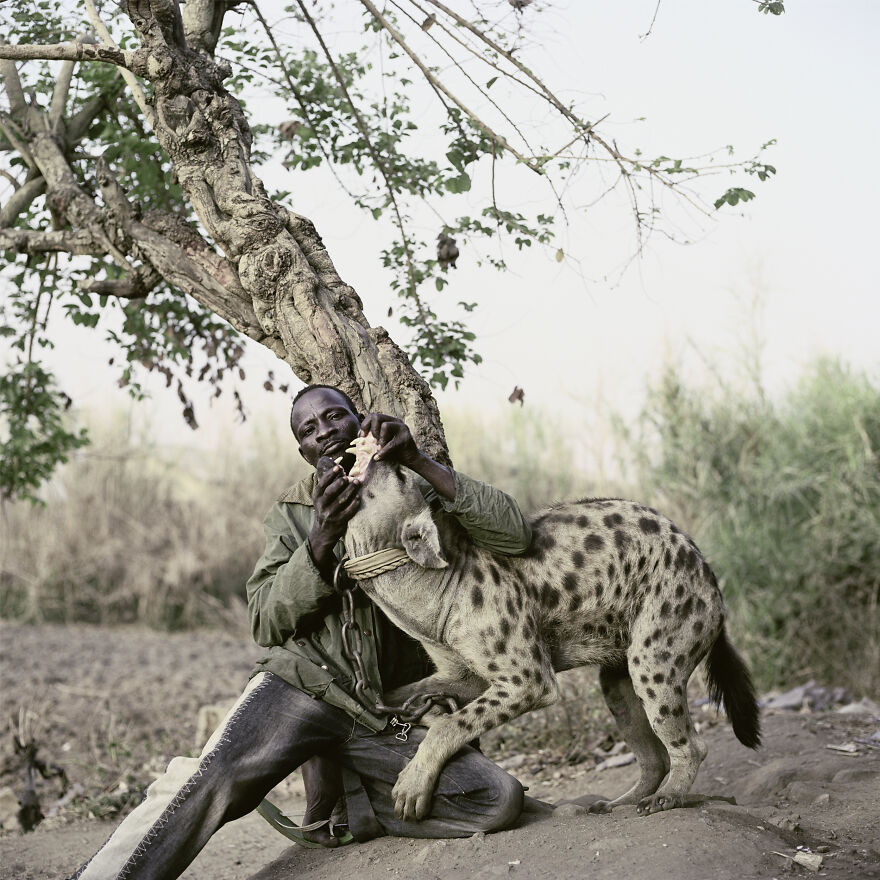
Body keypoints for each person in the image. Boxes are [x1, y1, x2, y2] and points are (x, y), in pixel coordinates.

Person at [70, 385, 533, 880]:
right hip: (303, 686)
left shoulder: (410, 485)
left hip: (381, 707)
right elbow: (265, 621)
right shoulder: (292, 511)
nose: (325, 432)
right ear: (305, 452)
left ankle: (353, 804)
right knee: (214, 778)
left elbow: (516, 535)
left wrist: (419, 460)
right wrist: (320, 537)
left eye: (335, 417)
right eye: (309, 430)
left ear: (360, 422)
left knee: (496, 798)